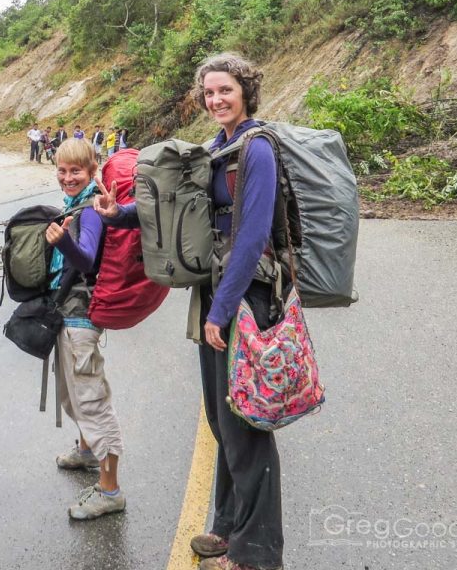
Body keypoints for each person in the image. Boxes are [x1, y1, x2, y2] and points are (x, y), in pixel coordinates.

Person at [93, 52, 285, 570]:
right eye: (209, 93)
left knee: (246, 425)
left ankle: (256, 554)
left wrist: (221, 313)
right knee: (224, 423)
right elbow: (182, 207)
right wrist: (120, 214)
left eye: (225, 90)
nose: (216, 99)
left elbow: (252, 238)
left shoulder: (258, 149)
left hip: (245, 295)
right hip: (217, 290)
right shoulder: (220, 147)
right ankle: (226, 528)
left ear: (246, 90)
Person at [45, 138, 126, 521]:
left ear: (93, 171)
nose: (67, 177)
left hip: (81, 318)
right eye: (62, 171)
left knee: (91, 401)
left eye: (75, 171)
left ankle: (110, 490)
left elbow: (88, 260)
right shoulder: (74, 205)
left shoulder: (91, 211)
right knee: (74, 395)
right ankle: (86, 448)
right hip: (69, 313)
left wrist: (63, 241)